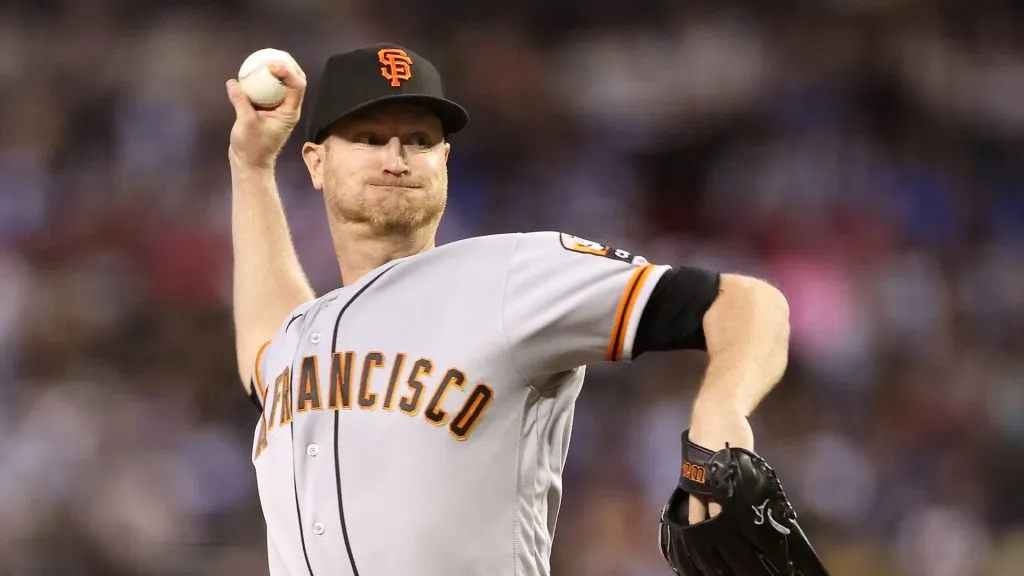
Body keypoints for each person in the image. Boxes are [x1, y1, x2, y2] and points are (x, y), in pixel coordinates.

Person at [224, 43, 791, 576]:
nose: (397, 158)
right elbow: (265, 346)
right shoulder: (301, 338)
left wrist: (722, 409)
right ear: (317, 163)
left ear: (444, 160)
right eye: (370, 138)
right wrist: (250, 169)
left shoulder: (509, 274)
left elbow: (747, 302)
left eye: (419, 140)